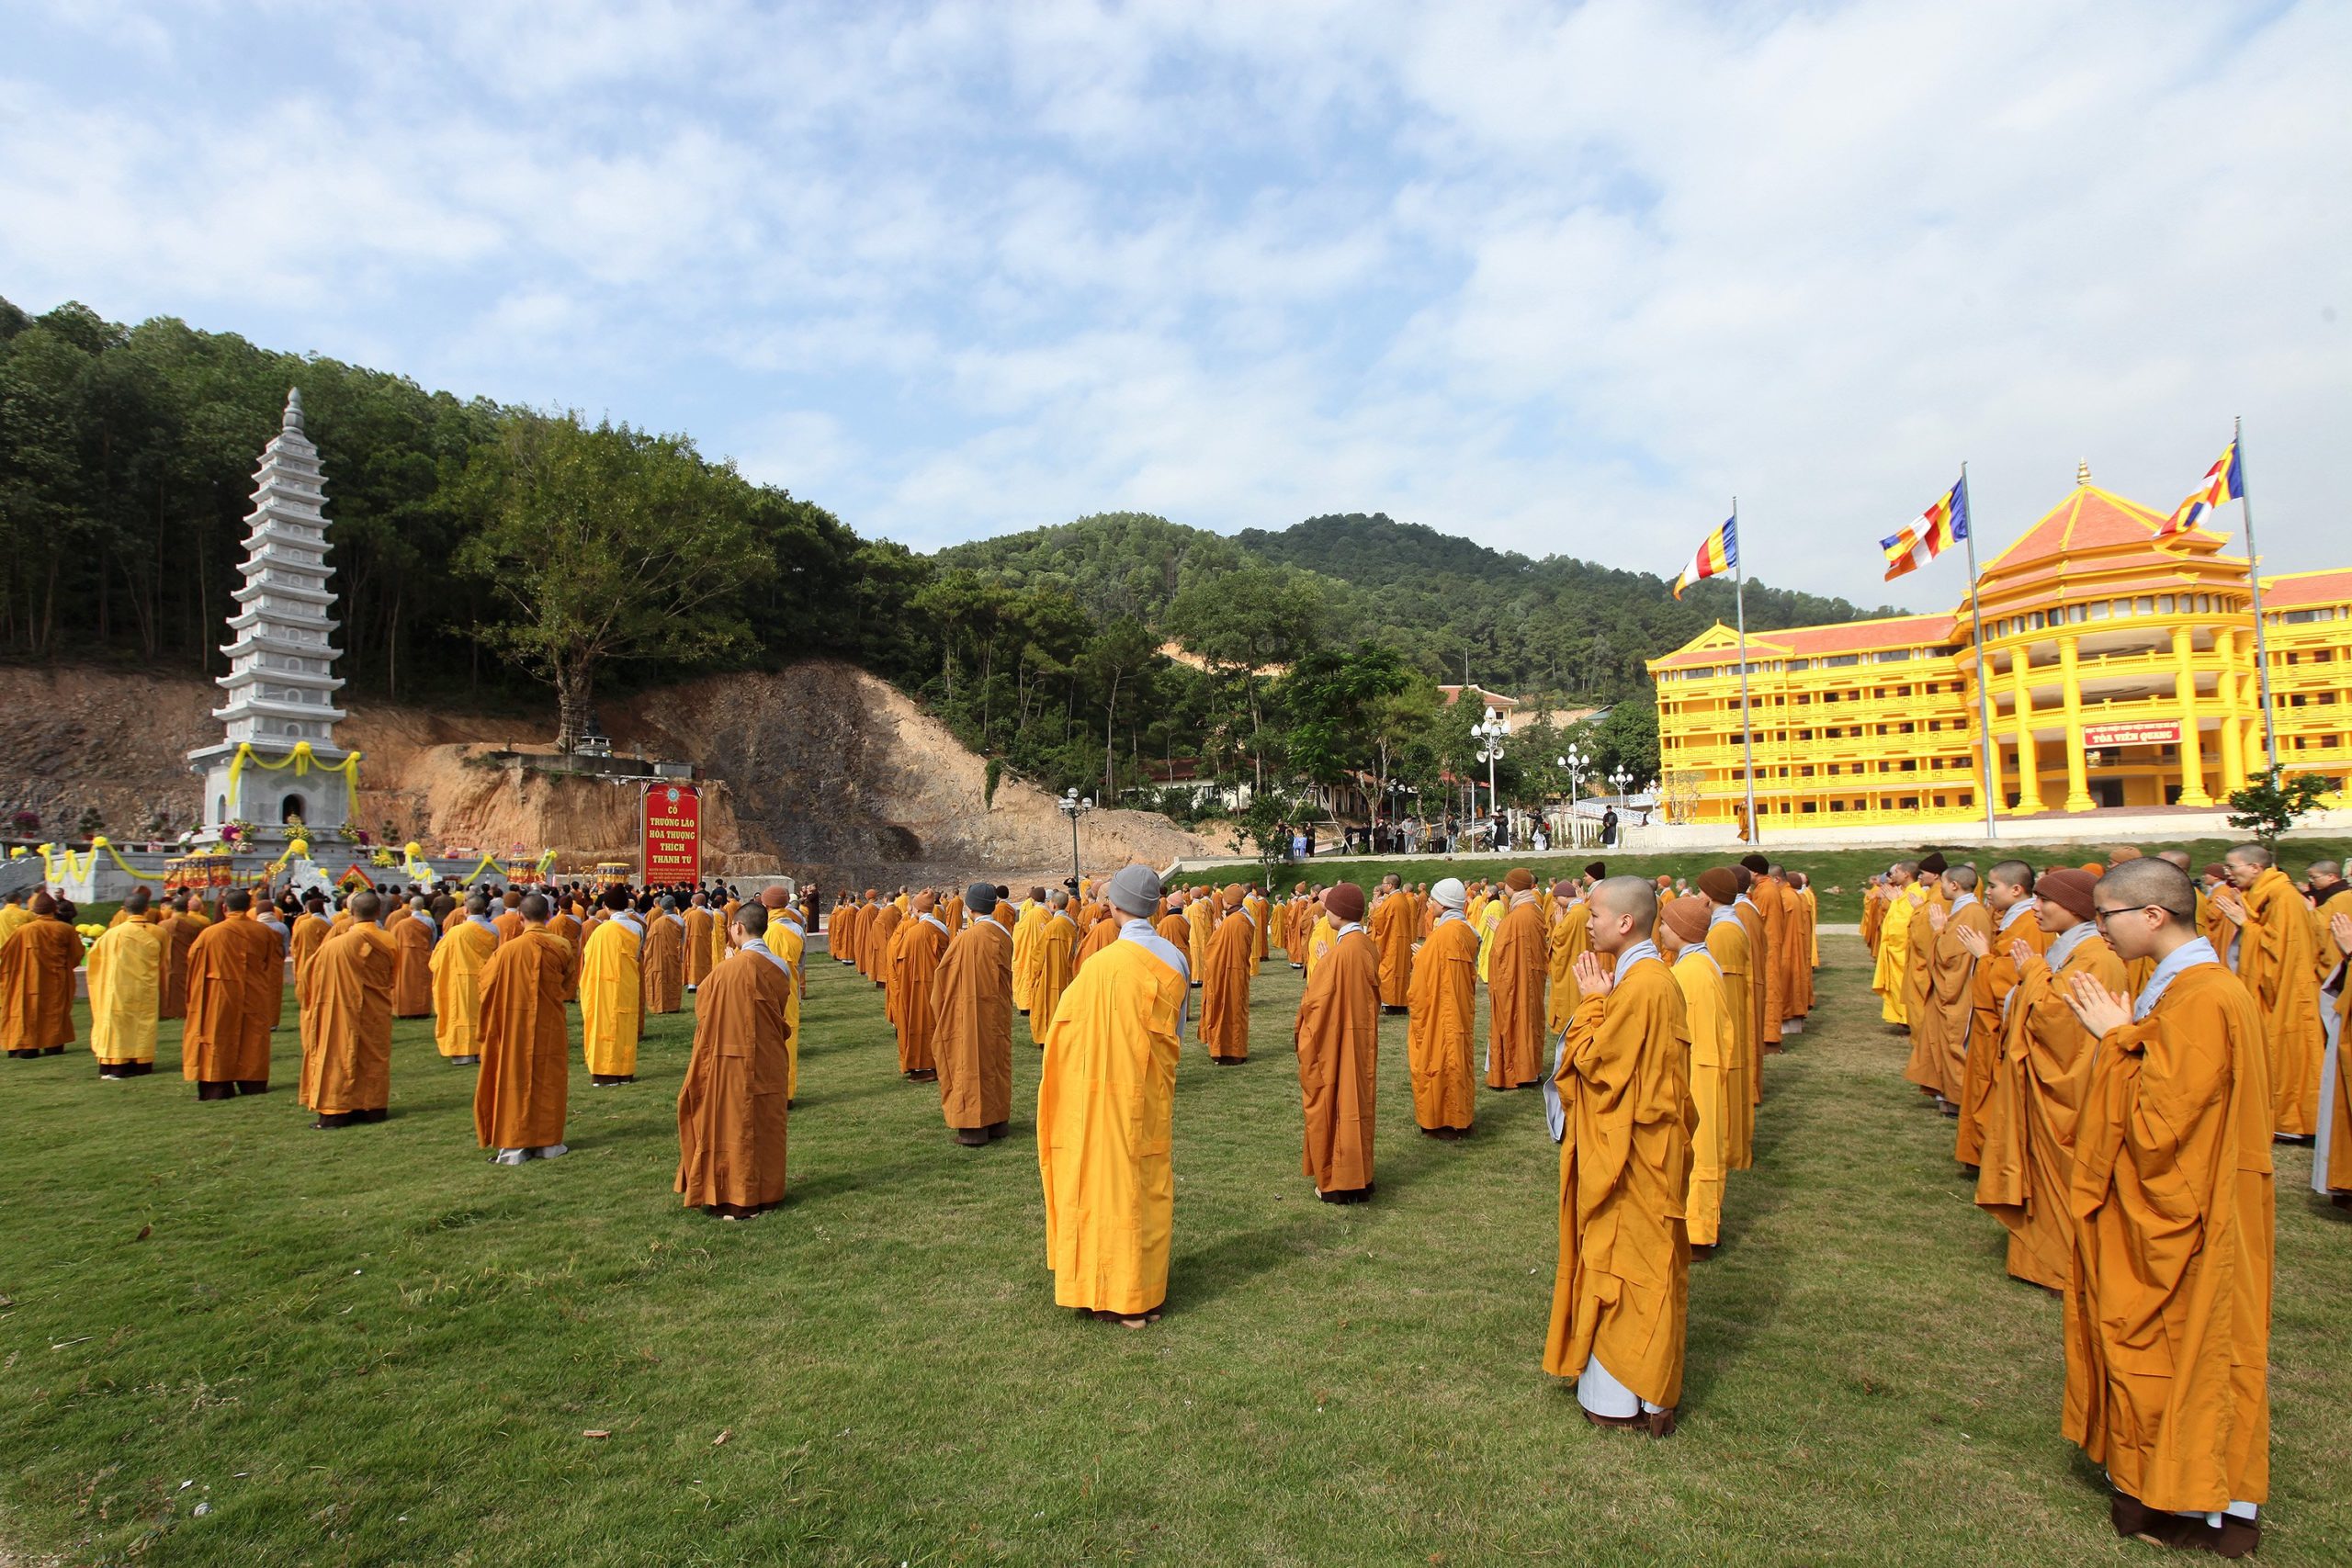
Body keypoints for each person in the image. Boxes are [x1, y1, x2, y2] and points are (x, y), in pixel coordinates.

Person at [2057, 857, 2270, 1555]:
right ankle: (2164, 1485)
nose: (2099, 930)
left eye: (2106, 915)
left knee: (2186, 1349)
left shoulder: (2204, 996)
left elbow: (2158, 1127)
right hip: (2193, 1202)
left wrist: (2115, 1041)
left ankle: (2192, 1501)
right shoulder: (2179, 986)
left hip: (2192, 1216)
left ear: (2152, 914)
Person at [1542, 876, 1692, 1437]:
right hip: (1634, 1149)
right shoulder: (1641, 980)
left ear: (1626, 923)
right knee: (1627, 1261)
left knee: (1629, 1268)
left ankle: (1628, 1396)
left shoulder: (1643, 987)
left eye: (1596, 913)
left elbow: (1597, 1068)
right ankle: (1630, 1393)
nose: (1587, 920)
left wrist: (1590, 1006)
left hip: (1633, 1158)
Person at [1036, 863, 1189, 1327]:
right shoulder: (1175, 959)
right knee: (1145, 1185)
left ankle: (1103, 1288)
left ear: (1115, 906)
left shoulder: (1099, 965)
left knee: (1098, 1184)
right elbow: (1177, 1030)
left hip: (1096, 1095)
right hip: (1147, 1093)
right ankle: (1141, 1292)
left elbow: (1066, 1031)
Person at [1969, 868, 2123, 1291]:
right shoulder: (2073, 951)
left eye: (2044, 901)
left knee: (2062, 1171)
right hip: (2043, 1078)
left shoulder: (2095, 957)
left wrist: (2032, 973)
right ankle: (2044, 1260)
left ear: (2074, 907)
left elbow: (2059, 1022)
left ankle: (2061, 1265)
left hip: (2067, 1087)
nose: (2036, 910)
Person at [674, 902, 794, 1218]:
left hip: (729, 1060)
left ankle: (734, 1197)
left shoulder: (726, 970)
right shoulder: (780, 966)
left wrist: (728, 967)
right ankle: (767, 1194)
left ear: (738, 928)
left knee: (732, 1126)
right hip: (768, 1058)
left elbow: (704, 1010)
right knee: (766, 1124)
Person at [2211, 843, 2324, 1139]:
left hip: (2287, 992)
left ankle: (2294, 1123)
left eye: (2232, 867)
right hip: (2274, 988)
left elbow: (2280, 952)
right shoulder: (2264, 895)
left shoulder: (2284, 897)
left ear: (2255, 868)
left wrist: (2244, 924)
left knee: (2287, 1055)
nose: (2228, 873)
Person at [1951, 862, 2048, 1167]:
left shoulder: (2029, 925)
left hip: (2000, 1023)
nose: (1987, 892)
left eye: (1993, 886)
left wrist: (1984, 957)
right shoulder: (2012, 920)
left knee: (1994, 1090)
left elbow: (2011, 982)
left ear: (2017, 889)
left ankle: (1995, 1157)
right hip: (1989, 1020)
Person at [1295, 882, 1379, 1202]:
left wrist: (1325, 966)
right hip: (1360, 1043)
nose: (1325, 912)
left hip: (1335, 1043)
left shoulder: (1340, 954)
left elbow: (1314, 1006)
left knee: (1335, 1106)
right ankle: (1361, 1176)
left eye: (1330, 908)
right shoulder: (1365, 945)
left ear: (1340, 914)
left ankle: (1339, 1182)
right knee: (1357, 1105)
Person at [1657, 894, 1731, 1254]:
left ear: (1682, 931)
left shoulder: (1690, 973)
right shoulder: (1700, 964)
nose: (1661, 930)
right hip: (1705, 1067)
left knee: (1697, 1149)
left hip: (1696, 1071)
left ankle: (1697, 1232)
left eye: (1666, 925)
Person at [472, 893, 571, 1164]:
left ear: (520, 917)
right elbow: (566, 984)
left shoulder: (506, 951)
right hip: (549, 1024)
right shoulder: (561, 946)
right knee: (548, 1079)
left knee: (512, 1078)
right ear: (549, 916)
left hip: (512, 1024)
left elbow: (485, 986)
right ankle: (549, 1143)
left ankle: (514, 1146)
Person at [933, 882, 1014, 1145]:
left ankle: (973, 1126)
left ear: (969, 907)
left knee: (970, 1063)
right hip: (997, 1012)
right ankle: (998, 1120)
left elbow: (944, 977)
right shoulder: (1003, 934)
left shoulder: (968, 938)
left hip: (969, 1012)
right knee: (996, 1061)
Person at [308, 890, 399, 1127]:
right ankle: (372, 1108)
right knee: (372, 1057)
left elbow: (312, 976)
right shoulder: (389, 941)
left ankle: (335, 1111)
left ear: (350, 913)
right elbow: (392, 977)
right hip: (375, 1010)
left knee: (337, 1055)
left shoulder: (334, 945)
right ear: (378, 912)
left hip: (339, 1008)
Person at [180, 889, 281, 1100]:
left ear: (225, 908)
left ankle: (217, 1086)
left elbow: (194, 963)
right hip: (254, 993)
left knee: (217, 1036)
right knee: (253, 1038)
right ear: (249, 908)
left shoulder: (211, 934)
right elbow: (271, 965)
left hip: (219, 994)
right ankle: (252, 1083)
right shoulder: (265, 932)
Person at [1908, 863, 1991, 1111]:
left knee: (1956, 1043)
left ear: (1954, 885)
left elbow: (1949, 957)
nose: (1939, 888)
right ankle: (1948, 1094)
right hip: (1955, 989)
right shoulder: (1964, 911)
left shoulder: (1971, 914)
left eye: (1942, 883)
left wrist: (1937, 930)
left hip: (1959, 992)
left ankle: (1957, 1097)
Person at [1407, 877, 1478, 1139]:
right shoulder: (1462, 930)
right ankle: (1457, 1115)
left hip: (1442, 1011)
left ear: (1445, 904)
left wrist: (1420, 956)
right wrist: (1426, 953)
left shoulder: (1447, 933)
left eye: (1434, 900)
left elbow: (1429, 974)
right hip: (1454, 1009)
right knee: (1455, 1059)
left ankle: (1446, 1119)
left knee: (1442, 1060)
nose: (1430, 905)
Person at [1698, 869, 1757, 1165]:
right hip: (1730, 1015)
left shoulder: (1723, 933)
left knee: (1726, 1084)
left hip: (1727, 1018)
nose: (1698, 897)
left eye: (1700, 892)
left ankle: (1729, 1148)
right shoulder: (1724, 926)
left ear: (1708, 897)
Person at [87, 888, 170, 1078]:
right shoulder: (159, 933)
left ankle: (115, 1065)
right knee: (143, 1024)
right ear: (147, 909)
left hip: (116, 987)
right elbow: (164, 960)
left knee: (117, 1025)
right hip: (145, 987)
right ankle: (141, 1062)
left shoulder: (112, 934)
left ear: (124, 910)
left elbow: (96, 959)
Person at [1485, 869, 1547, 1090]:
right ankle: (1530, 1068)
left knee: (1516, 1022)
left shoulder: (1520, 915)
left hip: (1517, 981)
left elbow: (1503, 950)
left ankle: (1520, 1070)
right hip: (1529, 978)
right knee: (1529, 1022)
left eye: (1507, 884)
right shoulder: (1532, 910)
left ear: (1514, 887)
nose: (1505, 888)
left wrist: (1501, 929)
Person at [1, 892, 80, 1058]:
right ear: (54, 910)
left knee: (29, 1011)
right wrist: (64, 968)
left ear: (35, 912)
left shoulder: (24, 931)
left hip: (30, 979)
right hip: (58, 978)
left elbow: (8, 954)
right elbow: (77, 955)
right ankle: (54, 1046)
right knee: (55, 1011)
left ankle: (29, 1047)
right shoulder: (66, 929)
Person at [580, 888, 645, 1086]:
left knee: (604, 1023)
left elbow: (588, 956)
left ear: (606, 907)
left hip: (603, 986)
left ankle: (604, 1072)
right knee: (625, 1025)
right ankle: (625, 1072)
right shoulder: (637, 928)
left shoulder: (601, 931)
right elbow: (637, 953)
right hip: (627, 983)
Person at [430, 893, 502, 1066]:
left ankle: (463, 1053)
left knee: (462, 1015)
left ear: (466, 910)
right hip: (485, 977)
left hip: (461, 979)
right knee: (483, 1014)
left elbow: (438, 958)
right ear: (485, 909)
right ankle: (481, 1050)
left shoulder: (456, 932)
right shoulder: (493, 929)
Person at [887, 889, 949, 1082]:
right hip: (939, 985)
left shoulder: (916, 932)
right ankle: (938, 1063)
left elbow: (900, 962)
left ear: (917, 908)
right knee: (936, 1024)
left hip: (918, 986)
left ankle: (924, 1066)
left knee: (920, 1024)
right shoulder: (941, 928)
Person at [1199, 883, 1256, 1065]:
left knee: (1227, 1010)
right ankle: (1235, 1049)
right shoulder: (1241, 918)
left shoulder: (1233, 922)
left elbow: (1214, 950)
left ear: (1229, 902)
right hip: (1236, 973)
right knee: (1236, 1011)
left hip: (1228, 974)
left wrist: (1218, 932)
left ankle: (1227, 1051)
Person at [1871, 862, 1922, 1025]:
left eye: (1897, 872)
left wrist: (1894, 902)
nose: (1893, 875)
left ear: (1906, 874)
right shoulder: (1906, 892)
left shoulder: (1915, 893)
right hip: (1898, 948)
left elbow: (1901, 924)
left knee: (1903, 985)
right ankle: (1903, 1017)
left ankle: (1907, 1018)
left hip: (1902, 949)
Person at [1030, 890, 1078, 1039]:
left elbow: (1038, 954)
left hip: (1050, 973)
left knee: (1049, 1005)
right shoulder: (1071, 925)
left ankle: (1048, 1036)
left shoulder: (1052, 926)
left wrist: (1035, 974)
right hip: (1068, 972)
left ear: (1054, 906)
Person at [1368, 874, 1413, 1014]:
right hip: (1400, 941)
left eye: (1383, 884)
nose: (1382, 886)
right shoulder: (1401, 899)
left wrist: (1375, 909)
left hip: (1392, 942)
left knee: (1389, 972)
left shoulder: (1393, 901)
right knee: (1399, 972)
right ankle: (1399, 1003)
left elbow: (1380, 922)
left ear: (1389, 885)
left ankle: (1391, 1003)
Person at [390, 896, 435, 1019]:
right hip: (424, 954)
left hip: (406, 958)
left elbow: (393, 939)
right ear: (423, 907)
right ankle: (422, 1010)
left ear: (410, 908)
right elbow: (433, 938)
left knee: (406, 982)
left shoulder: (401, 924)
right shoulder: (429, 921)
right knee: (422, 983)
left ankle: (405, 1010)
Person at [643, 896, 686, 1015]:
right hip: (674, 954)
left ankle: (660, 1005)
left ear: (661, 907)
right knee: (673, 979)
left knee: (660, 979)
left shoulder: (657, 923)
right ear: (674, 906)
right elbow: (683, 940)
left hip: (658, 956)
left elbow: (649, 941)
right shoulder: (680, 920)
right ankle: (673, 1005)